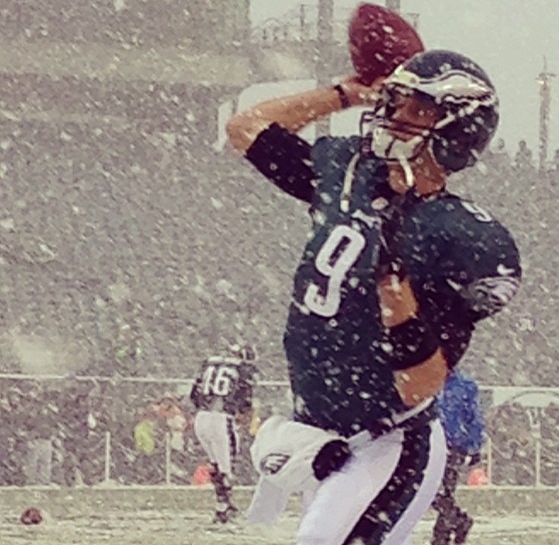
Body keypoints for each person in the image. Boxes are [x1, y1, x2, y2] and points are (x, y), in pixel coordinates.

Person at [226, 49, 521, 544]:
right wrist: (343, 95)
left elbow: (421, 384)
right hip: (321, 432)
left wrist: (393, 286)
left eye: (420, 109)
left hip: (389, 440)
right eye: (397, 102)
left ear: (458, 130)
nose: (397, 116)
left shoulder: (466, 237)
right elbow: (246, 128)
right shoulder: (348, 173)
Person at [190, 343, 258, 523]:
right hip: (220, 419)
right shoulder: (241, 369)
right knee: (226, 466)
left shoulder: (210, 365)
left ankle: (224, 504)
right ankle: (223, 508)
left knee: (215, 464)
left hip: (201, 418)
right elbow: (245, 402)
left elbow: (194, 395)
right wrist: (242, 413)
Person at [430, 370, 484, 545]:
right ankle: (457, 522)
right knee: (431, 491)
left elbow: (473, 418)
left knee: (444, 491)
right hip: (430, 443)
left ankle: (442, 535)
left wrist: (474, 447)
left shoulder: (464, 385)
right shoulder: (428, 381)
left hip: (453, 446)